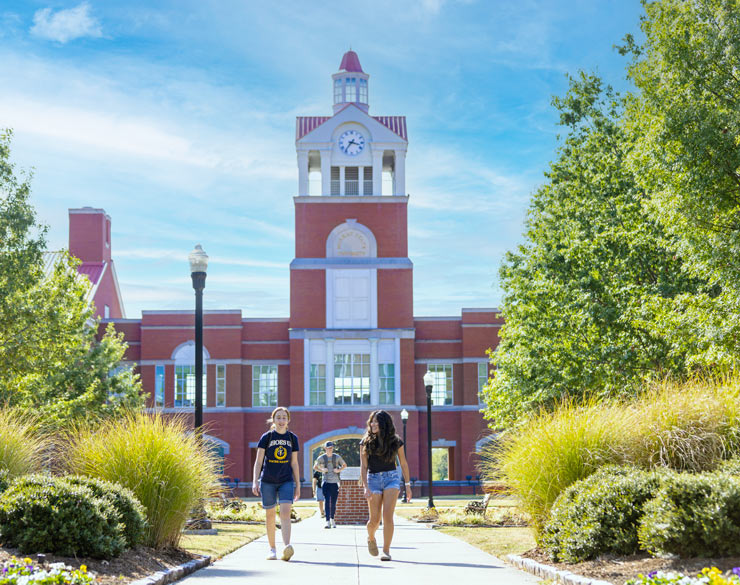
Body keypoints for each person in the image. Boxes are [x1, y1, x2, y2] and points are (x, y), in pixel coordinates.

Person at [360, 410, 412, 561]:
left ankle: (386, 551)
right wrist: (365, 487)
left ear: (384, 424)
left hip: (391, 479)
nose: (373, 424)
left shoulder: (395, 441)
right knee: (374, 521)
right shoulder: (365, 442)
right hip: (373, 480)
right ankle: (371, 538)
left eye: (376, 421)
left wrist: (407, 485)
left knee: (388, 516)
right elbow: (363, 467)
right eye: (372, 421)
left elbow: (403, 463)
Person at [252, 406, 301, 561]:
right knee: (270, 515)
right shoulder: (266, 437)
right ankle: (272, 549)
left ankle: (287, 547)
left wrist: (298, 485)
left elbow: (294, 463)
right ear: (273, 420)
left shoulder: (293, 438)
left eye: (284, 418)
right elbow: (258, 462)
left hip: (286, 480)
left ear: (288, 420)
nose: (281, 420)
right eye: (278, 417)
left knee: (285, 512)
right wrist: (255, 481)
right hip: (268, 481)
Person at [313, 441, 347, 528]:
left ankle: (332, 519)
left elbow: (344, 465)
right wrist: (322, 470)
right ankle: (327, 521)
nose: (330, 449)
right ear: (325, 448)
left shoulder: (337, 457)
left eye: (331, 447)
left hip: (335, 483)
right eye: (328, 448)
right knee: (327, 501)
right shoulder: (322, 458)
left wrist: (338, 470)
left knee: (334, 503)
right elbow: (315, 467)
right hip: (326, 482)